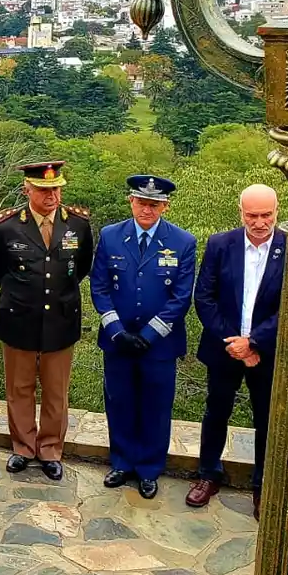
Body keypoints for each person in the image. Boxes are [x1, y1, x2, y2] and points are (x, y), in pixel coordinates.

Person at [0, 161, 94, 482]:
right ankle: (22, 447)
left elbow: (82, 267)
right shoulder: (7, 227)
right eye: (44, 190)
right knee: (19, 388)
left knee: (56, 391)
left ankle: (49, 449)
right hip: (19, 319)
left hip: (61, 320)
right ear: (27, 190)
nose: (52, 196)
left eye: (57, 189)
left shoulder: (78, 225)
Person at [90, 174, 197, 499]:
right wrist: (116, 330)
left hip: (160, 346)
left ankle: (149, 470)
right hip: (117, 341)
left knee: (155, 406)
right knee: (119, 402)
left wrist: (149, 335)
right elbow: (100, 285)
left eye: (154, 204)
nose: (146, 209)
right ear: (131, 201)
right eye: (141, 202)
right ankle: (121, 463)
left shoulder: (182, 241)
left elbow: (181, 297)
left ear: (164, 205)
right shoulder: (110, 236)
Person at [188, 184, 286, 517]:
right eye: (252, 215)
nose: (260, 222)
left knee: (267, 419)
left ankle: (263, 486)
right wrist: (235, 342)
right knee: (216, 412)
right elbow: (204, 297)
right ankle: (207, 474)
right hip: (224, 348)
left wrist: (255, 342)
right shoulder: (220, 244)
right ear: (240, 211)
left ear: (277, 211)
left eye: (266, 215)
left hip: (267, 352)